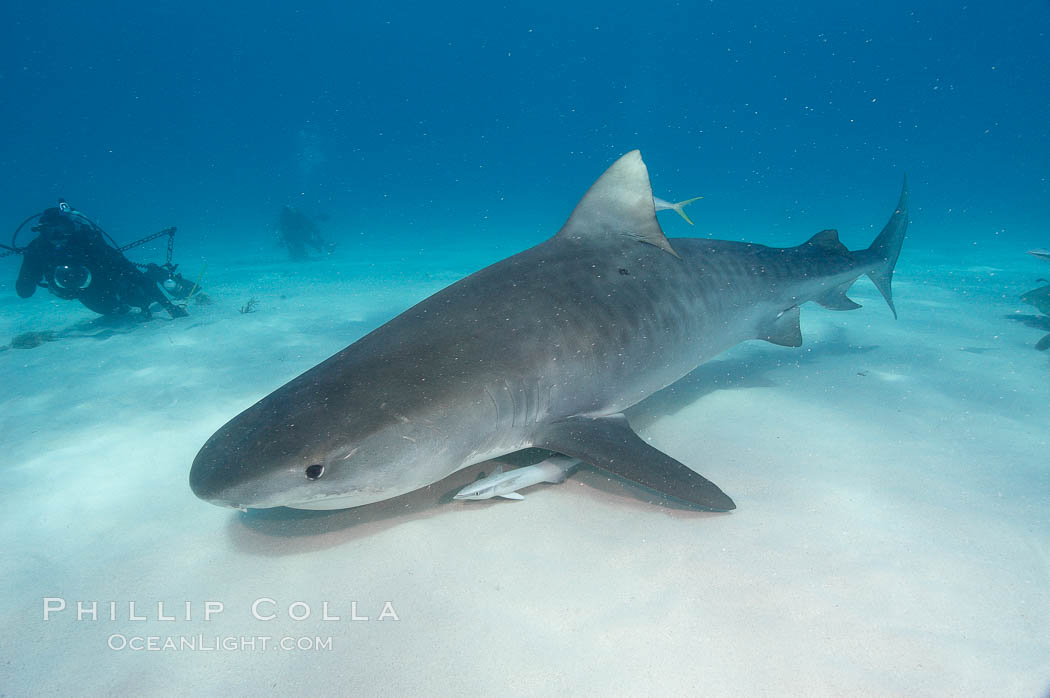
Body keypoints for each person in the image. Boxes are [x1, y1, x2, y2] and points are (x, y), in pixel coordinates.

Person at [14, 202, 189, 319]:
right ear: (40, 231)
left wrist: (168, 306)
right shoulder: (37, 250)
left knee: (142, 301)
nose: (57, 236)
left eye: (62, 229)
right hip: (85, 294)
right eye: (50, 231)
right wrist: (29, 264)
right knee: (112, 313)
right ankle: (119, 304)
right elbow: (24, 292)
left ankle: (154, 273)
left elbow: (131, 271)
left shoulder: (88, 242)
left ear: (71, 228)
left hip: (109, 282)